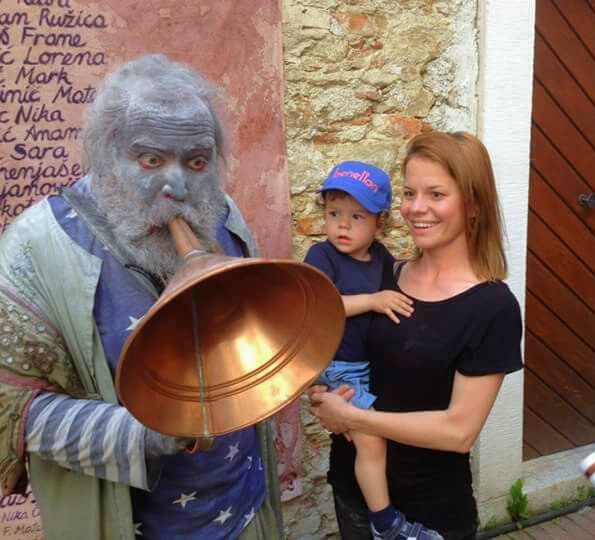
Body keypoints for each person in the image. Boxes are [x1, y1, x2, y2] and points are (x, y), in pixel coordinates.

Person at [0, 54, 283, 539]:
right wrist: (146, 432)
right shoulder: (33, 248)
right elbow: (10, 410)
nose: (178, 187)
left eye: (197, 162)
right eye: (151, 160)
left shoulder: (223, 215)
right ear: (106, 154)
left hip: (243, 510)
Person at [309, 131, 524, 540]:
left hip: (429, 510)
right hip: (354, 491)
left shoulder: (492, 307)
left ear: (474, 205)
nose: (416, 208)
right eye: (409, 193)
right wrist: (324, 392)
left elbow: (459, 432)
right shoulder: (384, 275)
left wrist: (352, 417)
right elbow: (341, 347)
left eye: (436, 194)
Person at [304, 161, 440, 538]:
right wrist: (373, 300)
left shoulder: (381, 259)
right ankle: (385, 524)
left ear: (380, 223)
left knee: (378, 436)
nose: (342, 225)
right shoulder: (322, 256)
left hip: (366, 366)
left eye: (356, 217)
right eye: (334, 214)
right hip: (338, 366)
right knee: (371, 439)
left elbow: (401, 287)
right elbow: (319, 307)